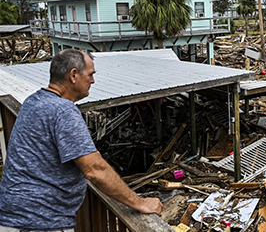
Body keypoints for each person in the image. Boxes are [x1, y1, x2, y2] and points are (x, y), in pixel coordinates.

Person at [0, 49, 162, 232]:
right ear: (74, 75)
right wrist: (140, 203)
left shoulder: (33, 101)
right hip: (40, 222)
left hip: (13, 217)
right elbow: (94, 169)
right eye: (90, 75)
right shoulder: (63, 111)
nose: (93, 81)